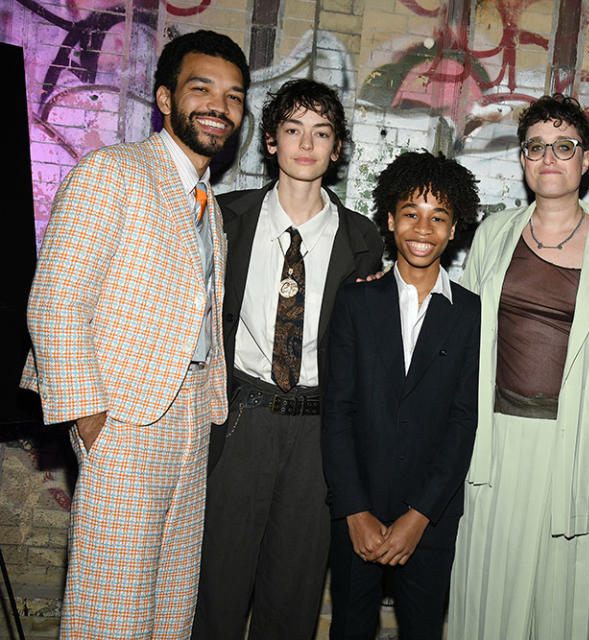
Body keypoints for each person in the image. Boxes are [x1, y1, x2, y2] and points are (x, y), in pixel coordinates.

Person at [20, 30, 249, 639]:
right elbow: (55, 303)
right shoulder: (111, 173)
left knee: (172, 602)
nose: (219, 107)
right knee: (112, 607)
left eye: (233, 96)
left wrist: (204, 409)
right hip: (121, 418)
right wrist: (90, 415)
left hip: (191, 417)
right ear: (165, 98)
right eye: (202, 89)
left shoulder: (210, 205)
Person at [447, 94, 589, 639]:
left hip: (580, 445)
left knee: (565, 606)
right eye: (536, 147)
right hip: (495, 442)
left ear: (585, 161)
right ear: (522, 160)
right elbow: (458, 340)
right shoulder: (493, 235)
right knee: (488, 595)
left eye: (564, 146)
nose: (549, 158)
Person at [191, 79, 383, 639]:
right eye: (293, 130)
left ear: (337, 148)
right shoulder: (225, 217)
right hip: (238, 416)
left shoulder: (362, 238)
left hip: (317, 431)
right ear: (270, 140)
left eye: (321, 132)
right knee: (216, 585)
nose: (307, 144)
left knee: (295, 591)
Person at [322, 151, 481, 640]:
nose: (423, 228)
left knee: (423, 629)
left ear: (454, 230)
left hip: (429, 517)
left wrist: (419, 517)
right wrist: (354, 511)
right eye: (411, 213)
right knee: (350, 626)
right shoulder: (356, 300)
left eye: (439, 218)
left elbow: (462, 422)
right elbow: (338, 413)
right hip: (358, 511)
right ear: (390, 220)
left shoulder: (471, 313)